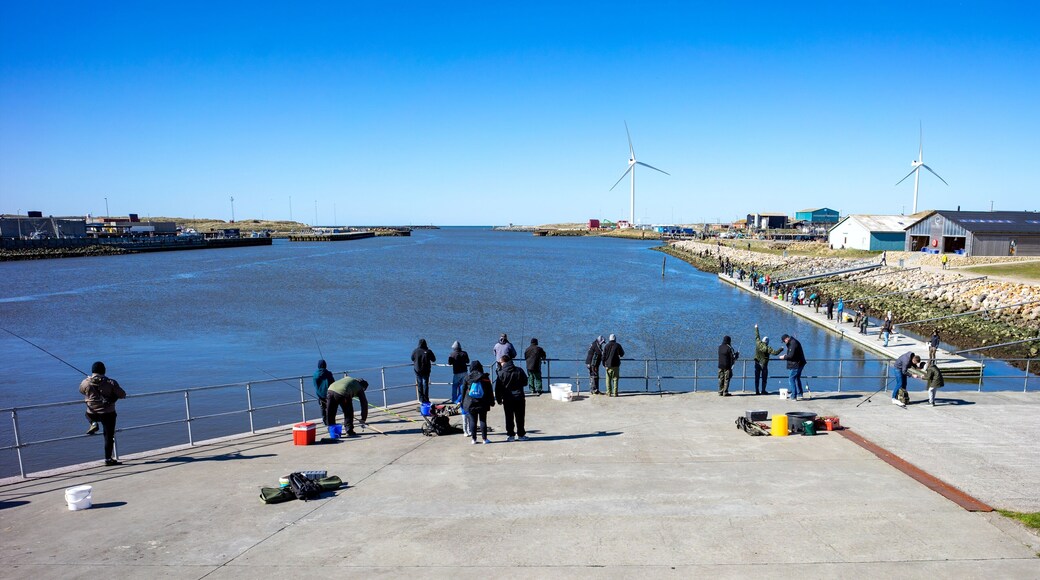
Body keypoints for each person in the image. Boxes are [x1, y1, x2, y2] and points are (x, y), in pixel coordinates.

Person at [79, 361, 127, 466]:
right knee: (108, 437)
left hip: (92, 412)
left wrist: (89, 382)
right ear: (104, 371)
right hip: (108, 413)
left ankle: (93, 423)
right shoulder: (110, 382)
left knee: (87, 414)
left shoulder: (85, 382)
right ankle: (108, 459)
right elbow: (123, 394)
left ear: (93, 371)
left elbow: (81, 391)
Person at [494, 354, 528, 441]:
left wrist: (498, 399)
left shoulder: (501, 373)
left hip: (507, 398)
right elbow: (525, 382)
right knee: (520, 417)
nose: (500, 364)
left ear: (504, 362)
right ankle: (521, 435)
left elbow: (498, 388)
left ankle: (511, 435)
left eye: (500, 362)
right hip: (519, 397)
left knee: (509, 417)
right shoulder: (519, 370)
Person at [462, 360, 495, 444]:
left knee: (473, 421)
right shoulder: (485, 377)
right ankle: (484, 439)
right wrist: (492, 401)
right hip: (483, 402)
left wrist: (462, 402)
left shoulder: (467, 377)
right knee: (483, 420)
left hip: (471, 402)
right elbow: (489, 391)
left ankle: (474, 439)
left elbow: (463, 390)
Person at [754, 325, 784, 395]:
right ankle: (763, 390)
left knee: (757, 378)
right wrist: (781, 349)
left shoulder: (758, 343)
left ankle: (757, 391)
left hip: (756, 363)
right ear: (767, 342)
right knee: (764, 378)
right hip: (764, 364)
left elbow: (757, 336)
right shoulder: (768, 348)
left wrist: (756, 328)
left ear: (762, 340)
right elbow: (775, 353)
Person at [778, 334, 806, 400]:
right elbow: (791, 353)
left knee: (791, 378)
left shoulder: (793, 343)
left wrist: (784, 357)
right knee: (796, 378)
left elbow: (791, 356)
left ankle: (794, 396)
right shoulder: (792, 342)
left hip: (797, 364)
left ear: (786, 339)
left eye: (784, 341)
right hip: (800, 362)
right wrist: (787, 354)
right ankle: (800, 394)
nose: (784, 343)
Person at [411, 338, 436, 404]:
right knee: (425, 384)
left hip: (418, 370)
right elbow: (434, 359)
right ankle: (426, 399)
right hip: (426, 370)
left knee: (419, 384)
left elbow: (412, 358)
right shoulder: (428, 351)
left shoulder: (415, 351)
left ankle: (421, 399)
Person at [313, 359, 335, 425]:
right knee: (330, 408)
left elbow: (315, 384)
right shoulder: (328, 373)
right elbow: (333, 383)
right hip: (328, 394)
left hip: (319, 394)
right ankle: (330, 421)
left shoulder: (315, 374)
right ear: (325, 365)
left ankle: (325, 421)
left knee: (322, 407)